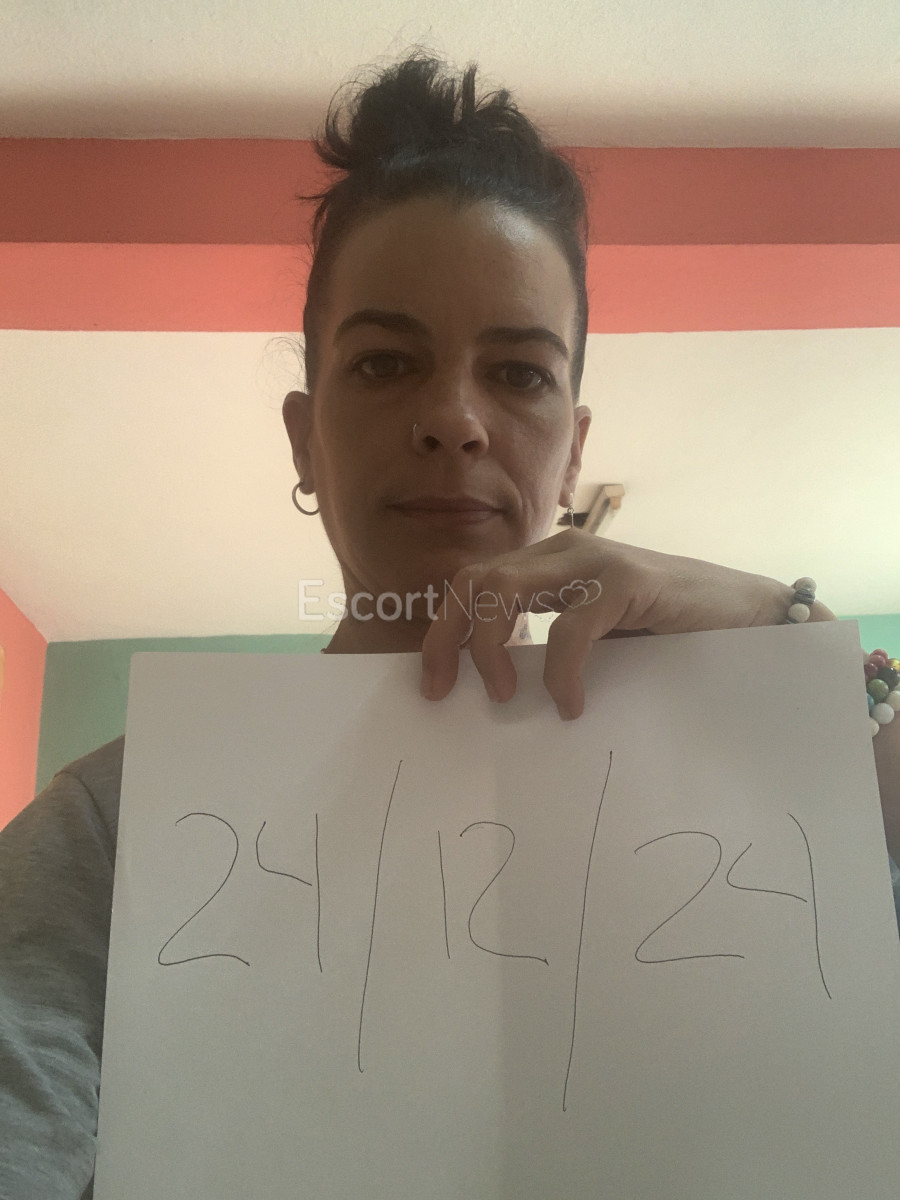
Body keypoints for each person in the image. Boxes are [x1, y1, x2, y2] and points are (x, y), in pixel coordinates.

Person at [1, 52, 898, 1200]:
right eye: (385, 363)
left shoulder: (749, 773)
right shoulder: (117, 825)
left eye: (518, 374)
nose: (453, 420)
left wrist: (776, 619)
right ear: (303, 438)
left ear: (573, 455)